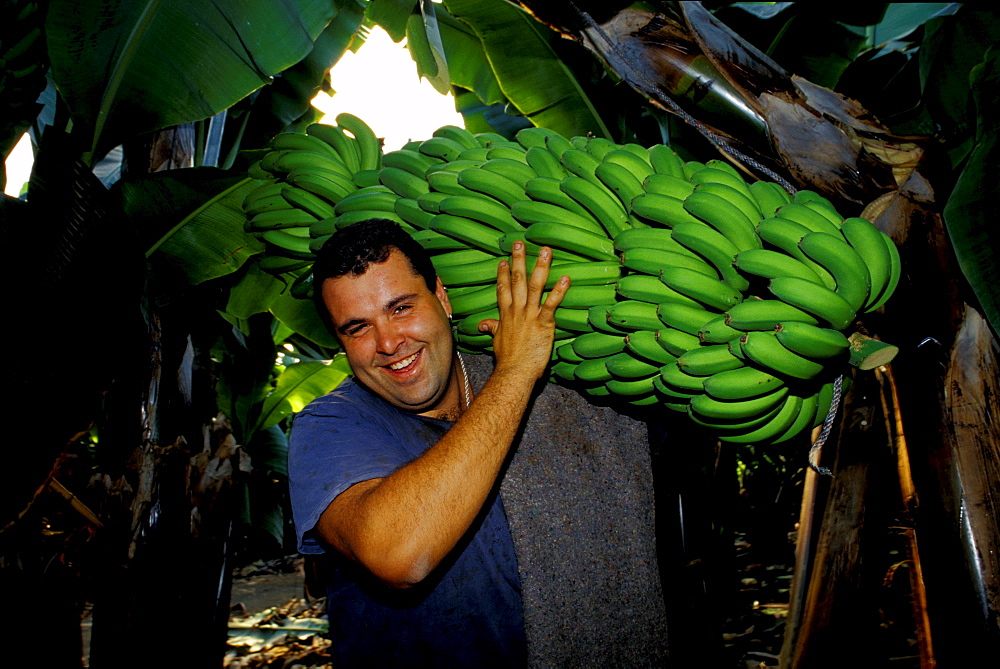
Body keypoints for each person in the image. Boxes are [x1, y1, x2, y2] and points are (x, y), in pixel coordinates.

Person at [289, 218, 670, 667]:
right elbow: (399, 556)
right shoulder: (329, 426)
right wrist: (515, 372)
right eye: (358, 328)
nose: (388, 342)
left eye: (401, 308)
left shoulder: (565, 389)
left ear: (442, 296)